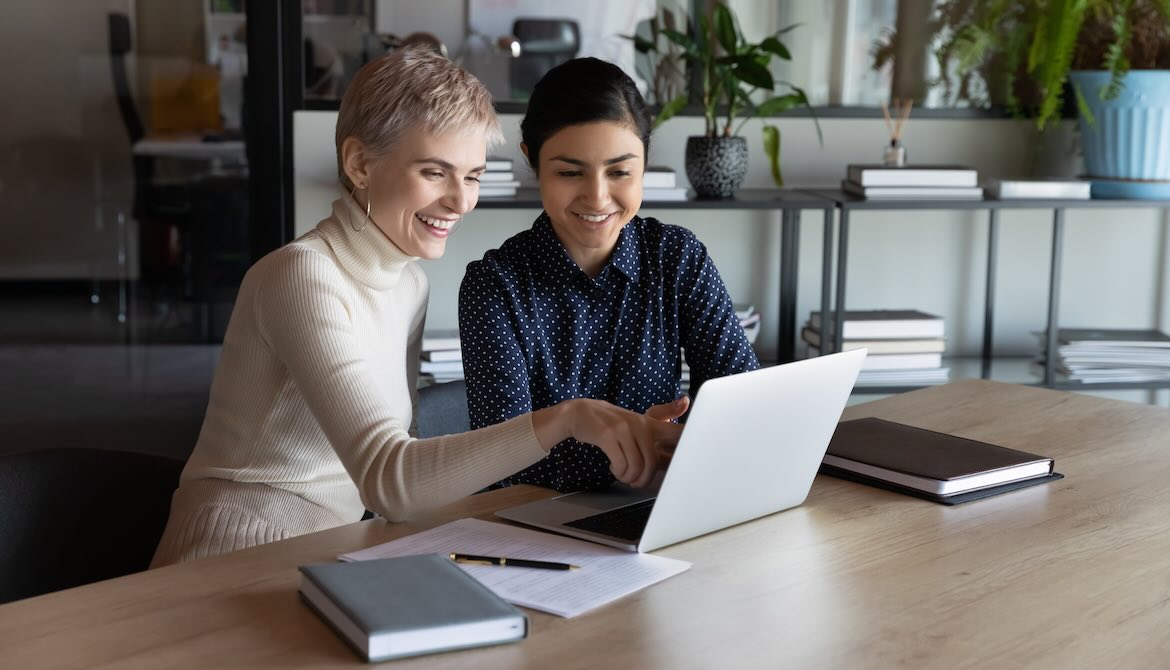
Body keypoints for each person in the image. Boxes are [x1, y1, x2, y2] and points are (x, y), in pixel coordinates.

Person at [151, 49, 682, 567]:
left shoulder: (408, 284)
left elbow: (390, 480)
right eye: (435, 172)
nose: (460, 201)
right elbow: (389, 480)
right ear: (360, 164)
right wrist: (570, 417)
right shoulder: (301, 275)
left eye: (472, 176)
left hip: (331, 550)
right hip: (234, 553)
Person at [458, 57, 759, 494]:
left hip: (663, 510)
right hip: (537, 527)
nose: (598, 197)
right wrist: (636, 449)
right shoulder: (495, 287)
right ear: (533, 160)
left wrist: (661, 447)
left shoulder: (677, 258)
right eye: (569, 172)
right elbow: (501, 469)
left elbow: (744, 405)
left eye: (620, 172)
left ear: (645, 162)